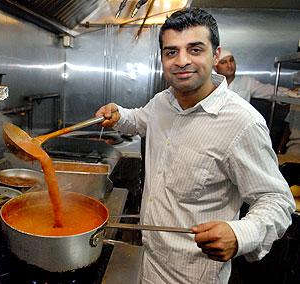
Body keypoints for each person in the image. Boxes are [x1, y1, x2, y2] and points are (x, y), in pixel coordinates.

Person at [95, 8, 295, 284]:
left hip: (194, 275)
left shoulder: (242, 123)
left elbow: (277, 201)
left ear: (215, 55)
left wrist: (240, 234)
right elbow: (139, 120)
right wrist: (118, 113)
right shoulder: (163, 102)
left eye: (195, 49)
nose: (182, 61)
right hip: (150, 263)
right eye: (171, 52)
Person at [214, 49, 297, 101]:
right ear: (216, 68)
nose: (229, 65)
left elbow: (268, 90)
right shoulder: (210, 84)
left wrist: (289, 92)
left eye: (231, 61)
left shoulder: (246, 81)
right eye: (223, 62)